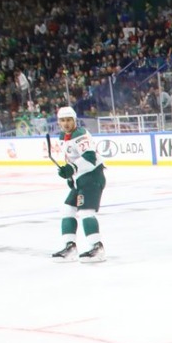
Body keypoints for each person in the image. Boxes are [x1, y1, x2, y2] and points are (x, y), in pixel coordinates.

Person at [50, 106, 108, 262]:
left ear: (74, 120)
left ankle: (97, 248)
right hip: (81, 179)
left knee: (86, 212)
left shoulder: (80, 135)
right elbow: (71, 158)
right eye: (63, 120)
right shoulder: (63, 137)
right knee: (67, 209)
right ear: (59, 122)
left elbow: (90, 157)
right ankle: (70, 247)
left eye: (69, 120)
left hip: (92, 177)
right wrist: (70, 176)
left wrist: (72, 168)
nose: (66, 123)